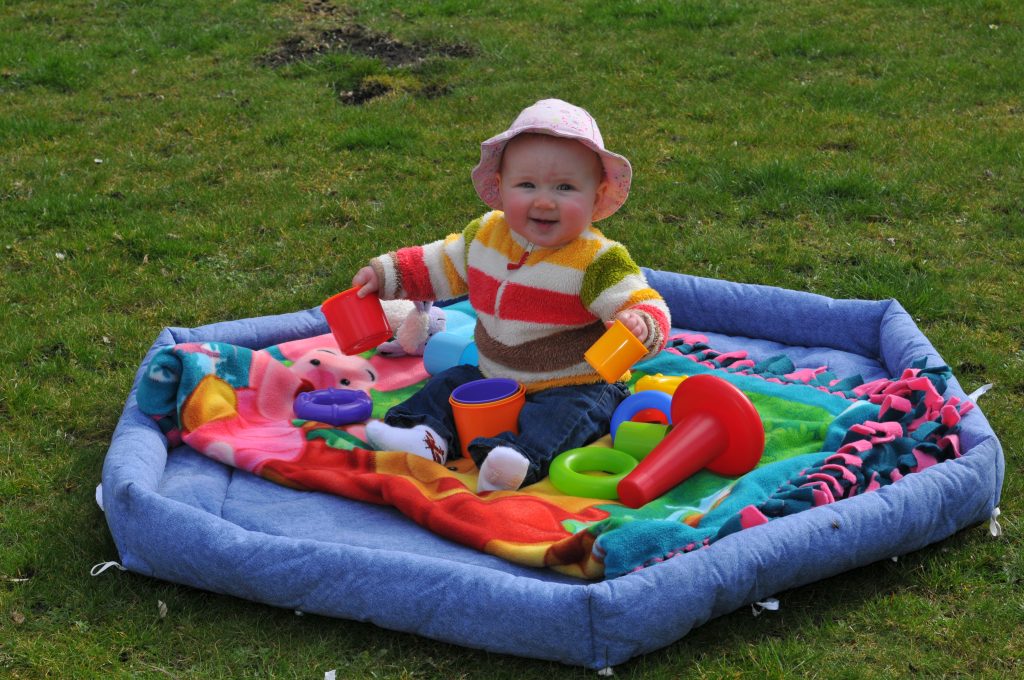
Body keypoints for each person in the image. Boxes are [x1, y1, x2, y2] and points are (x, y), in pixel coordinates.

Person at [351, 98, 671, 492]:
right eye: (527, 185)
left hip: (577, 381)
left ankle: (514, 461)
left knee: (567, 416)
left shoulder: (597, 260)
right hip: (496, 374)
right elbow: (438, 263)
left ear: (597, 195)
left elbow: (641, 299)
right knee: (448, 386)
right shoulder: (485, 236)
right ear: (501, 189)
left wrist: (640, 324)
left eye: (565, 187)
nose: (544, 200)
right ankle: (424, 438)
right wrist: (386, 275)